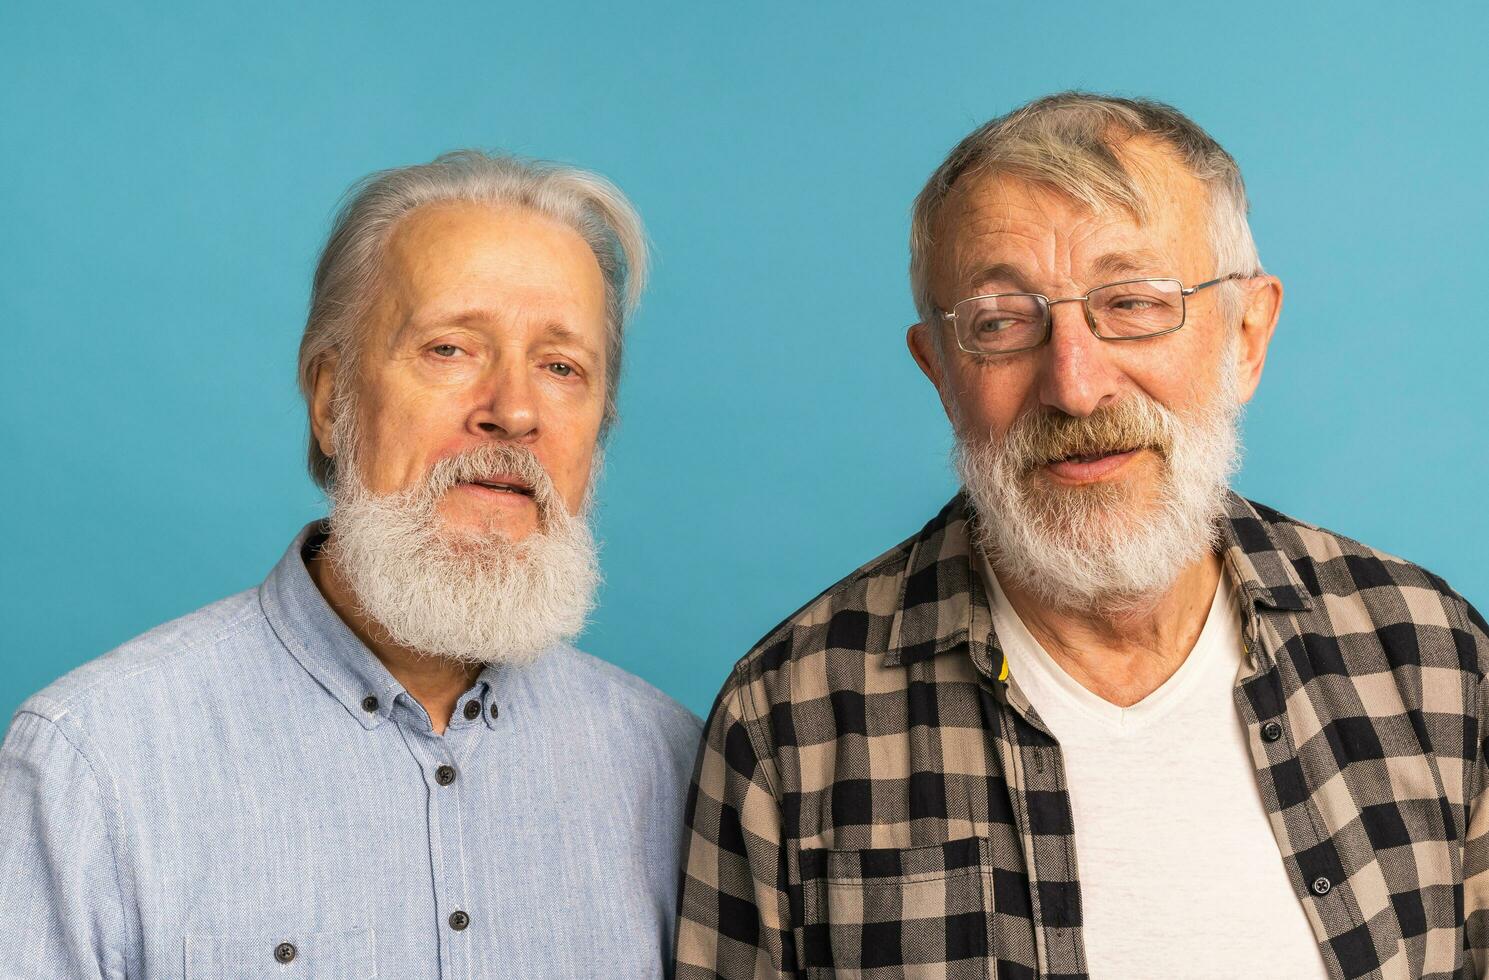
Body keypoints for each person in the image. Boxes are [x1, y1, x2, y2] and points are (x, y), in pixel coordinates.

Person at [675, 93, 1489, 979]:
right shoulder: (786, 721)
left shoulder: (1431, 657)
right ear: (939, 372)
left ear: (1246, 335)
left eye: (1132, 304)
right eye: (1000, 324)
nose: (1073, 384)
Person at [0, 150, 700, 978]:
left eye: (561, 367)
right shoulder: (93, 763)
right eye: (450, 349)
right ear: (330, 400)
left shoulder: (675, 763)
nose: (513, 411)